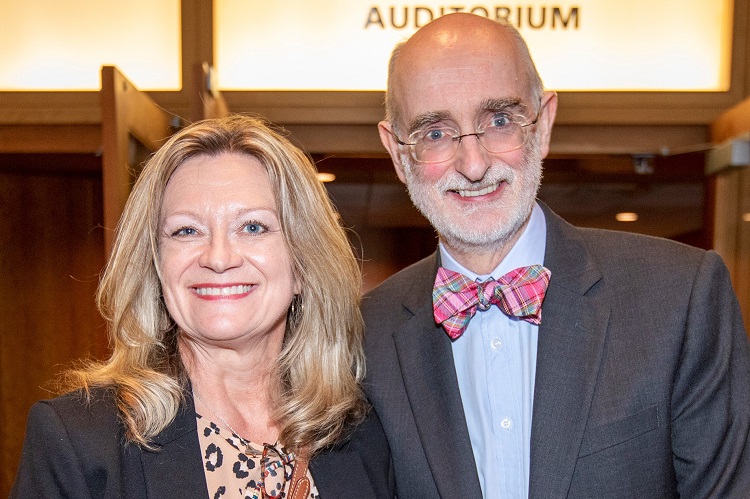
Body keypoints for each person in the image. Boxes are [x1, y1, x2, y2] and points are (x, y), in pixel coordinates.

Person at [362, 12, 750, 498]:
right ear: (399, 154)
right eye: (435, 133)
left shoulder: (679, 297)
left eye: (499, 121)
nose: (474, 164)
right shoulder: (361, 338)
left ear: (542, 125)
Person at [12, 115, 394, 498]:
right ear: (156, 266)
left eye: (253, 227)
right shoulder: (78, 439)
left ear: (303, 265)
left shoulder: (365, 433)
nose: (218, 257)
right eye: (186, 230)